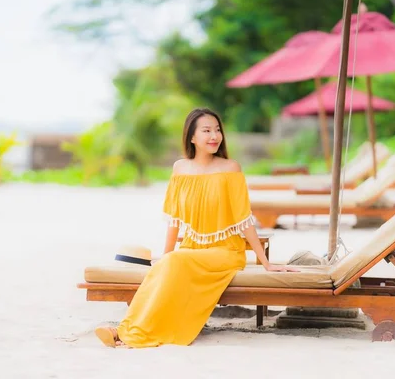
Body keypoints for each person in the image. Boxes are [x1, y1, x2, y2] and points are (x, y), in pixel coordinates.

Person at [94, 107, 298, 348]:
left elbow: (245, 220)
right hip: (191, 250)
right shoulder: (180, 169)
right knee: (163, 267)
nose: (214, 136)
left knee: (173, 262)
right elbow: (174, 220)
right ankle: (123, 329)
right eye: (207, 130)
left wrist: (265, 262)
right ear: (192, 137)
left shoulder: (230, 168)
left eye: (217, 130)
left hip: (225, 253)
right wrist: (166, 254)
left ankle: (128, 332)